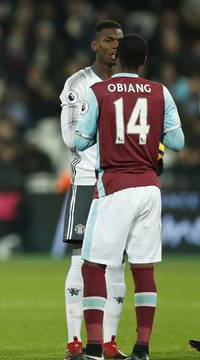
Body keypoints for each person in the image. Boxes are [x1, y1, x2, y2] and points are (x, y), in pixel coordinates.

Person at [73, 34, 185, 360]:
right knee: (143, 268)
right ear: (144, 61)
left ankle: (93, 347)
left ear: (117, 58)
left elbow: (80, 143)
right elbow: (176, 142)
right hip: (150, 188)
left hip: (115, 186)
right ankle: (142, 349)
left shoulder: (99, 91)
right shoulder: (160, 92)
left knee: (93, 266)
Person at [58, 20, 128, 360]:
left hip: (122, 183)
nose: (115, 46)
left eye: (119, 41)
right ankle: (75, 342)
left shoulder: (130, 86)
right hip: (88, 179)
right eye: (108, 40)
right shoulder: (78, 84)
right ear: (95, 45)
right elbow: (70, 138)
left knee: (117, 262)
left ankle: (110, 344)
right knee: (81, 257)